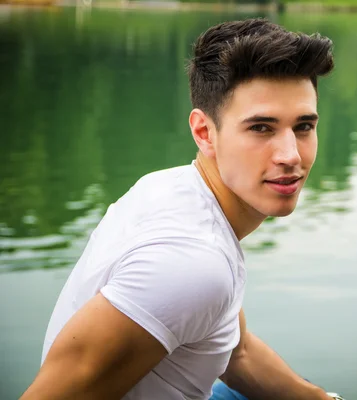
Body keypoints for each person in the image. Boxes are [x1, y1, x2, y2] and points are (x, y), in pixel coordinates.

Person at [19, 18, 340, 400]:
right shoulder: (190, 266)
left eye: (303, 126)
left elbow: (238, 352)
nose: (291, 155)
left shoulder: (174, 187)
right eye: (261, 128)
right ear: (205, 132)